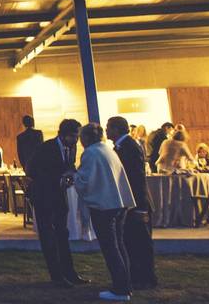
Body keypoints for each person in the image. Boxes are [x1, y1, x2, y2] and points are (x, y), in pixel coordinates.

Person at [75, 123, 136, 302]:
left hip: (104, 206)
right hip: (119, 203)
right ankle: (126, 284)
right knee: (119, 245)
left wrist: (73, 176)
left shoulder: (90, 153)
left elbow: (84, 181)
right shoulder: (108, 149)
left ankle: (120, 289)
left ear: (85, 138)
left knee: (110, 248)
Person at [26, 118, 88, 288]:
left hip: (60, 195)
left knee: (62, 233)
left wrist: (69, 174)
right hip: (43, 195)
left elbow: (68, 165)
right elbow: (31, 169)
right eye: (74, 136)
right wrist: (57, 179)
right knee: (48, 235)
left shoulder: (71, 147)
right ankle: (57, 275)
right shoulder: (46, 148)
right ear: (63, 134)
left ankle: (69, 272)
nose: (77, 140)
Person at [107, 116, 157, 290]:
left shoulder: (128, 146)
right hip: (133, 202)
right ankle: (137, 276)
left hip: (136, 202)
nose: (106, 130)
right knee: (132, 241)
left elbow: (134, 177)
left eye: (109, 127)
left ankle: (145, 278)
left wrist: (132, 204)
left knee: (140, 242)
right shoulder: (124, 145)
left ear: (117, 129)